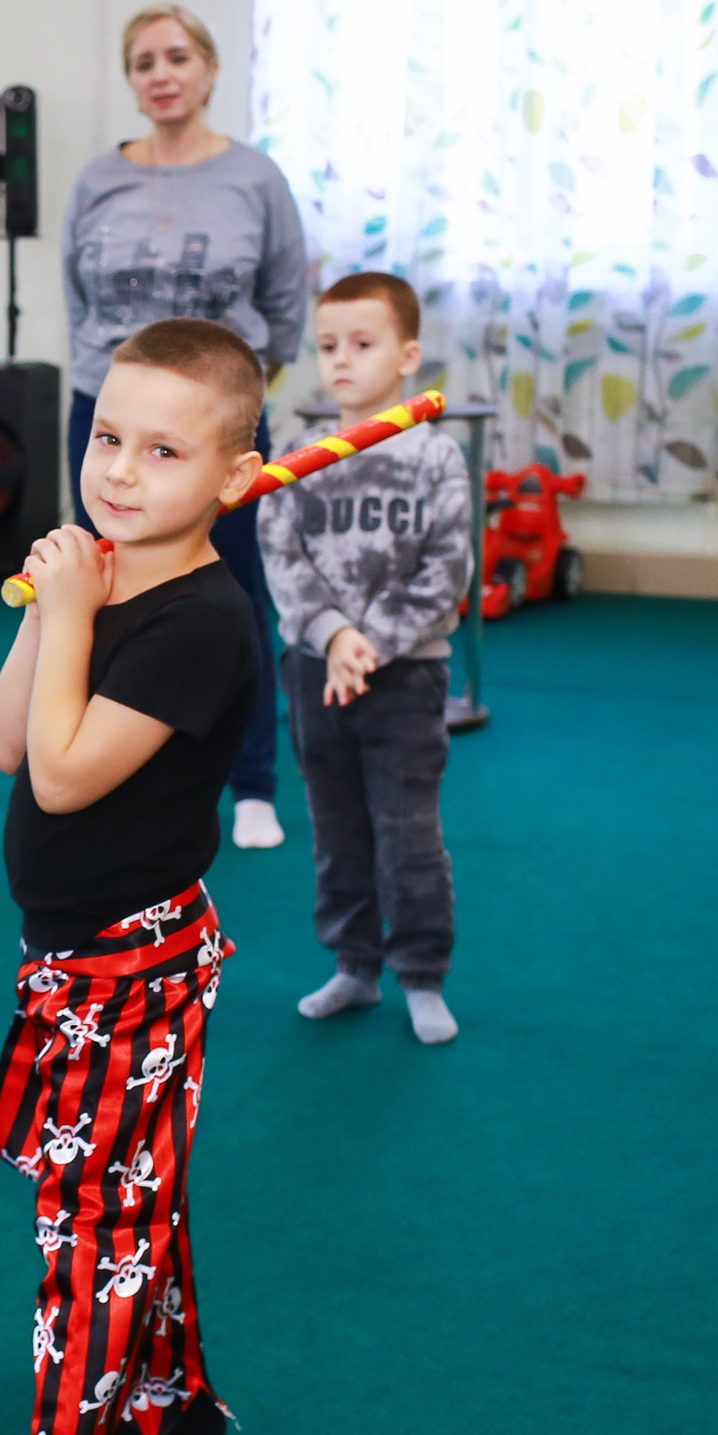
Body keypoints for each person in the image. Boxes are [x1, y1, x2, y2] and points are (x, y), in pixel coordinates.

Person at [0, 320, 265, 1435]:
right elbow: (10, 738)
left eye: (164, 451)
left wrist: (71, 614)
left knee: (94, 1222)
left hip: (131, 968)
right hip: (79, 958)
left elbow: (62, 779)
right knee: (129, 1189)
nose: (119, 469)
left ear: (230, 475)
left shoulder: (204, 625)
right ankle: (172, 1396)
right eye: (109, 435)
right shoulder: (115, 589)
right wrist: (57, 614)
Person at [60, 2, 308, 853]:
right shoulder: (97, 180)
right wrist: (112, 412)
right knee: (110, 591)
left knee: (232, 594)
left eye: (176, 57)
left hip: (209, 431)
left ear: (207, 71)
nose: (160, 74)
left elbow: (284, 304)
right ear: (131, 81)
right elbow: (77, 298)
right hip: (108, 413)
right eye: (142, 62)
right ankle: (105, 762)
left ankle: (250, 786)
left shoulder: (254, 177)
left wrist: (225, 409)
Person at [257, 272, 470, 1045]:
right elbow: (282, 561)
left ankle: (421, 972)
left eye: (363, 343)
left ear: (409, 355)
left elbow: (447, 570)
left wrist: (370, 641)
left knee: (408, 829)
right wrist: (334, 637)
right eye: (328, 346)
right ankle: (354, 964)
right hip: (316, 671)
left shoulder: (434, 458)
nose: (341, 360)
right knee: (335, 826)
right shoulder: (296, 457)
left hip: (408, 675)